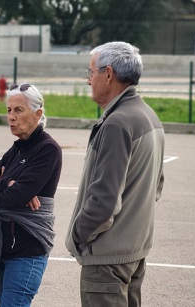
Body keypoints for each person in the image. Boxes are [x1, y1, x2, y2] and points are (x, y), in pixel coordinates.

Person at [64, 41, 165, 307]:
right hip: (134, 252)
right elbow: (157, 186)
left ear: (108, 74)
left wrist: (77, 235)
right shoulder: (148, 116)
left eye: (91, 72)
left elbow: (103, 202)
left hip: (107, 261)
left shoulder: (117, 123)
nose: (89, 81)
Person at [0, 83, 62, 307]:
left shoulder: (47, 149)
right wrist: (7, 182)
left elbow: (15, 197)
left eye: (18, 110)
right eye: (9, 110)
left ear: (38, 114)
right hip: (3, 248)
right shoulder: (18, 148)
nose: (11, 117)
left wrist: (3, 184)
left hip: (27, 252)